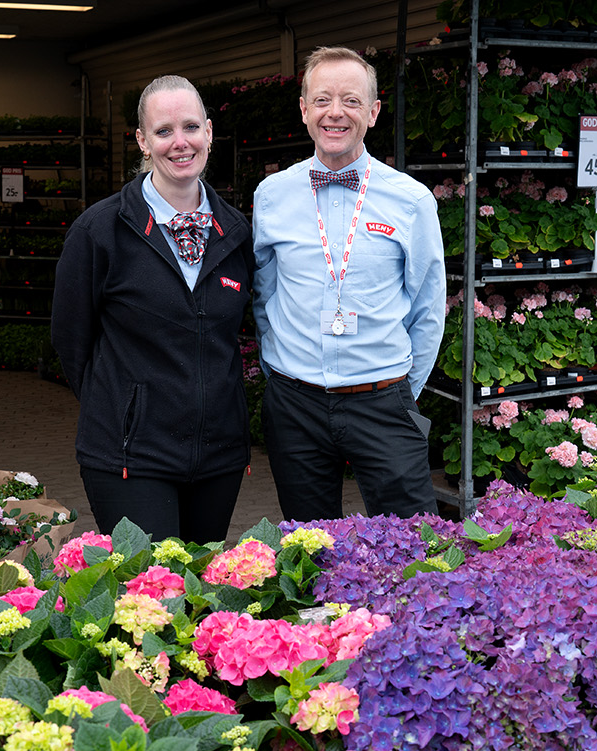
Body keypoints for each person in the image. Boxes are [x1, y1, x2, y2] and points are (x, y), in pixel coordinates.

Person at [52, 75, 253, 544]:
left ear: (209, 132)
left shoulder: (236, 231)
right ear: (142, 141)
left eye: (191, 127)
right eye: (164, 131)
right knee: (151, 586)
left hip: (219, 459)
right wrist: (125, 408)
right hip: (131, 458)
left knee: (202, 583)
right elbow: (71, 340)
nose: (180, 142)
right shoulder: (101, 231)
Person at [252, 46, 445, 522]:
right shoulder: (272, 196)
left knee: (415, 542)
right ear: (304, 109)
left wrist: (400, 392)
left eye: (351, 101)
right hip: (295, 406)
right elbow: (264, 295)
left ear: (373, 112)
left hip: (383, 402)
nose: (334, 112)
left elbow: (428, 308)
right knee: (309, 546)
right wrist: (282, 374)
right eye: (322, 100)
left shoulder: (411, 200)